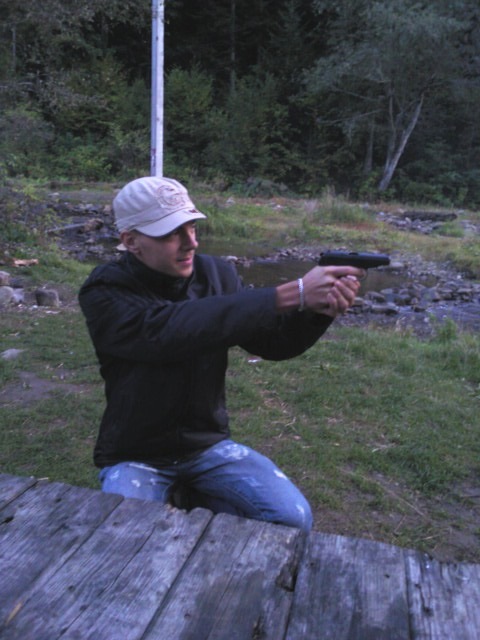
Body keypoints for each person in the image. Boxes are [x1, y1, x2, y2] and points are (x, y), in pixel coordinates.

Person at [78, 176, 362, 532]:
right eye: (171, 234)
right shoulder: (105, 290)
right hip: (135, 452)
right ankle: (192, 499)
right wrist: (292, 293)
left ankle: (189, 496)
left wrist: (318, 311)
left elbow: (273, 343)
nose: (191, 243)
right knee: (129, 536)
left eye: (192, 227)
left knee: (293, 518)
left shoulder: (217, 274)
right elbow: (165, 332)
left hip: (206, 445)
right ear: (131, 241)